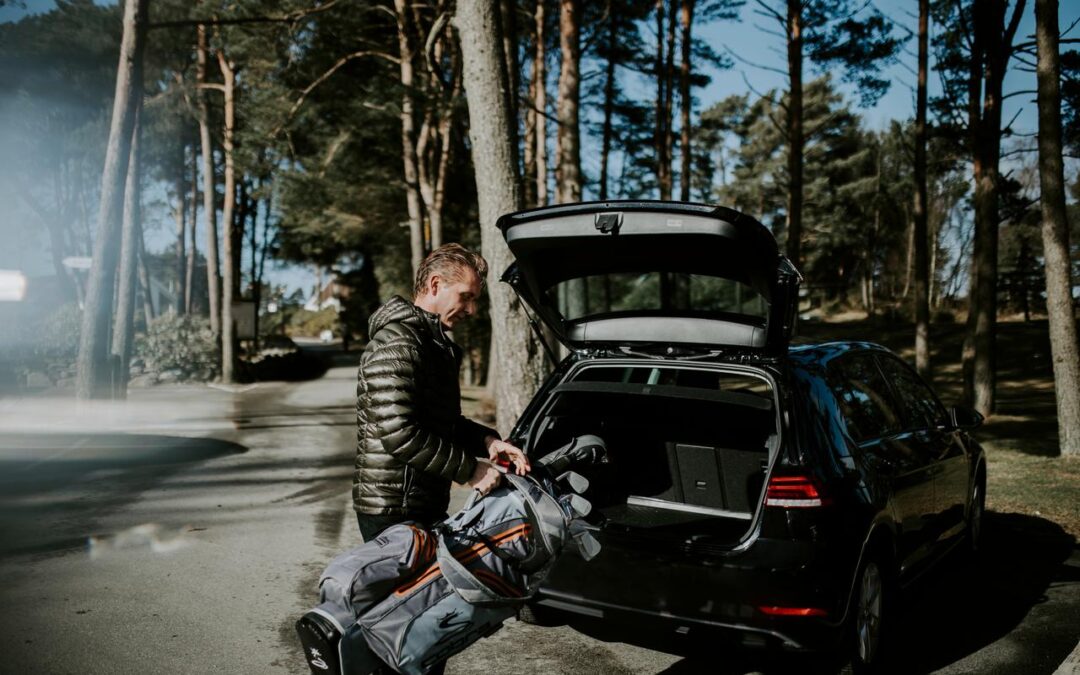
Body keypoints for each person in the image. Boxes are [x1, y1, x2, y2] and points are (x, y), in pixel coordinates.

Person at [353, 243, 530, 544]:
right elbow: (399, 432)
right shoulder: (397, 344)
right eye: (466, 297)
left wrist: (487, 442)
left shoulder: (431, 346)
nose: (471, 310)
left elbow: (443, 422)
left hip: (421, 505)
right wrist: (471, 470)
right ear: (436, 284)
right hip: (394, 508)